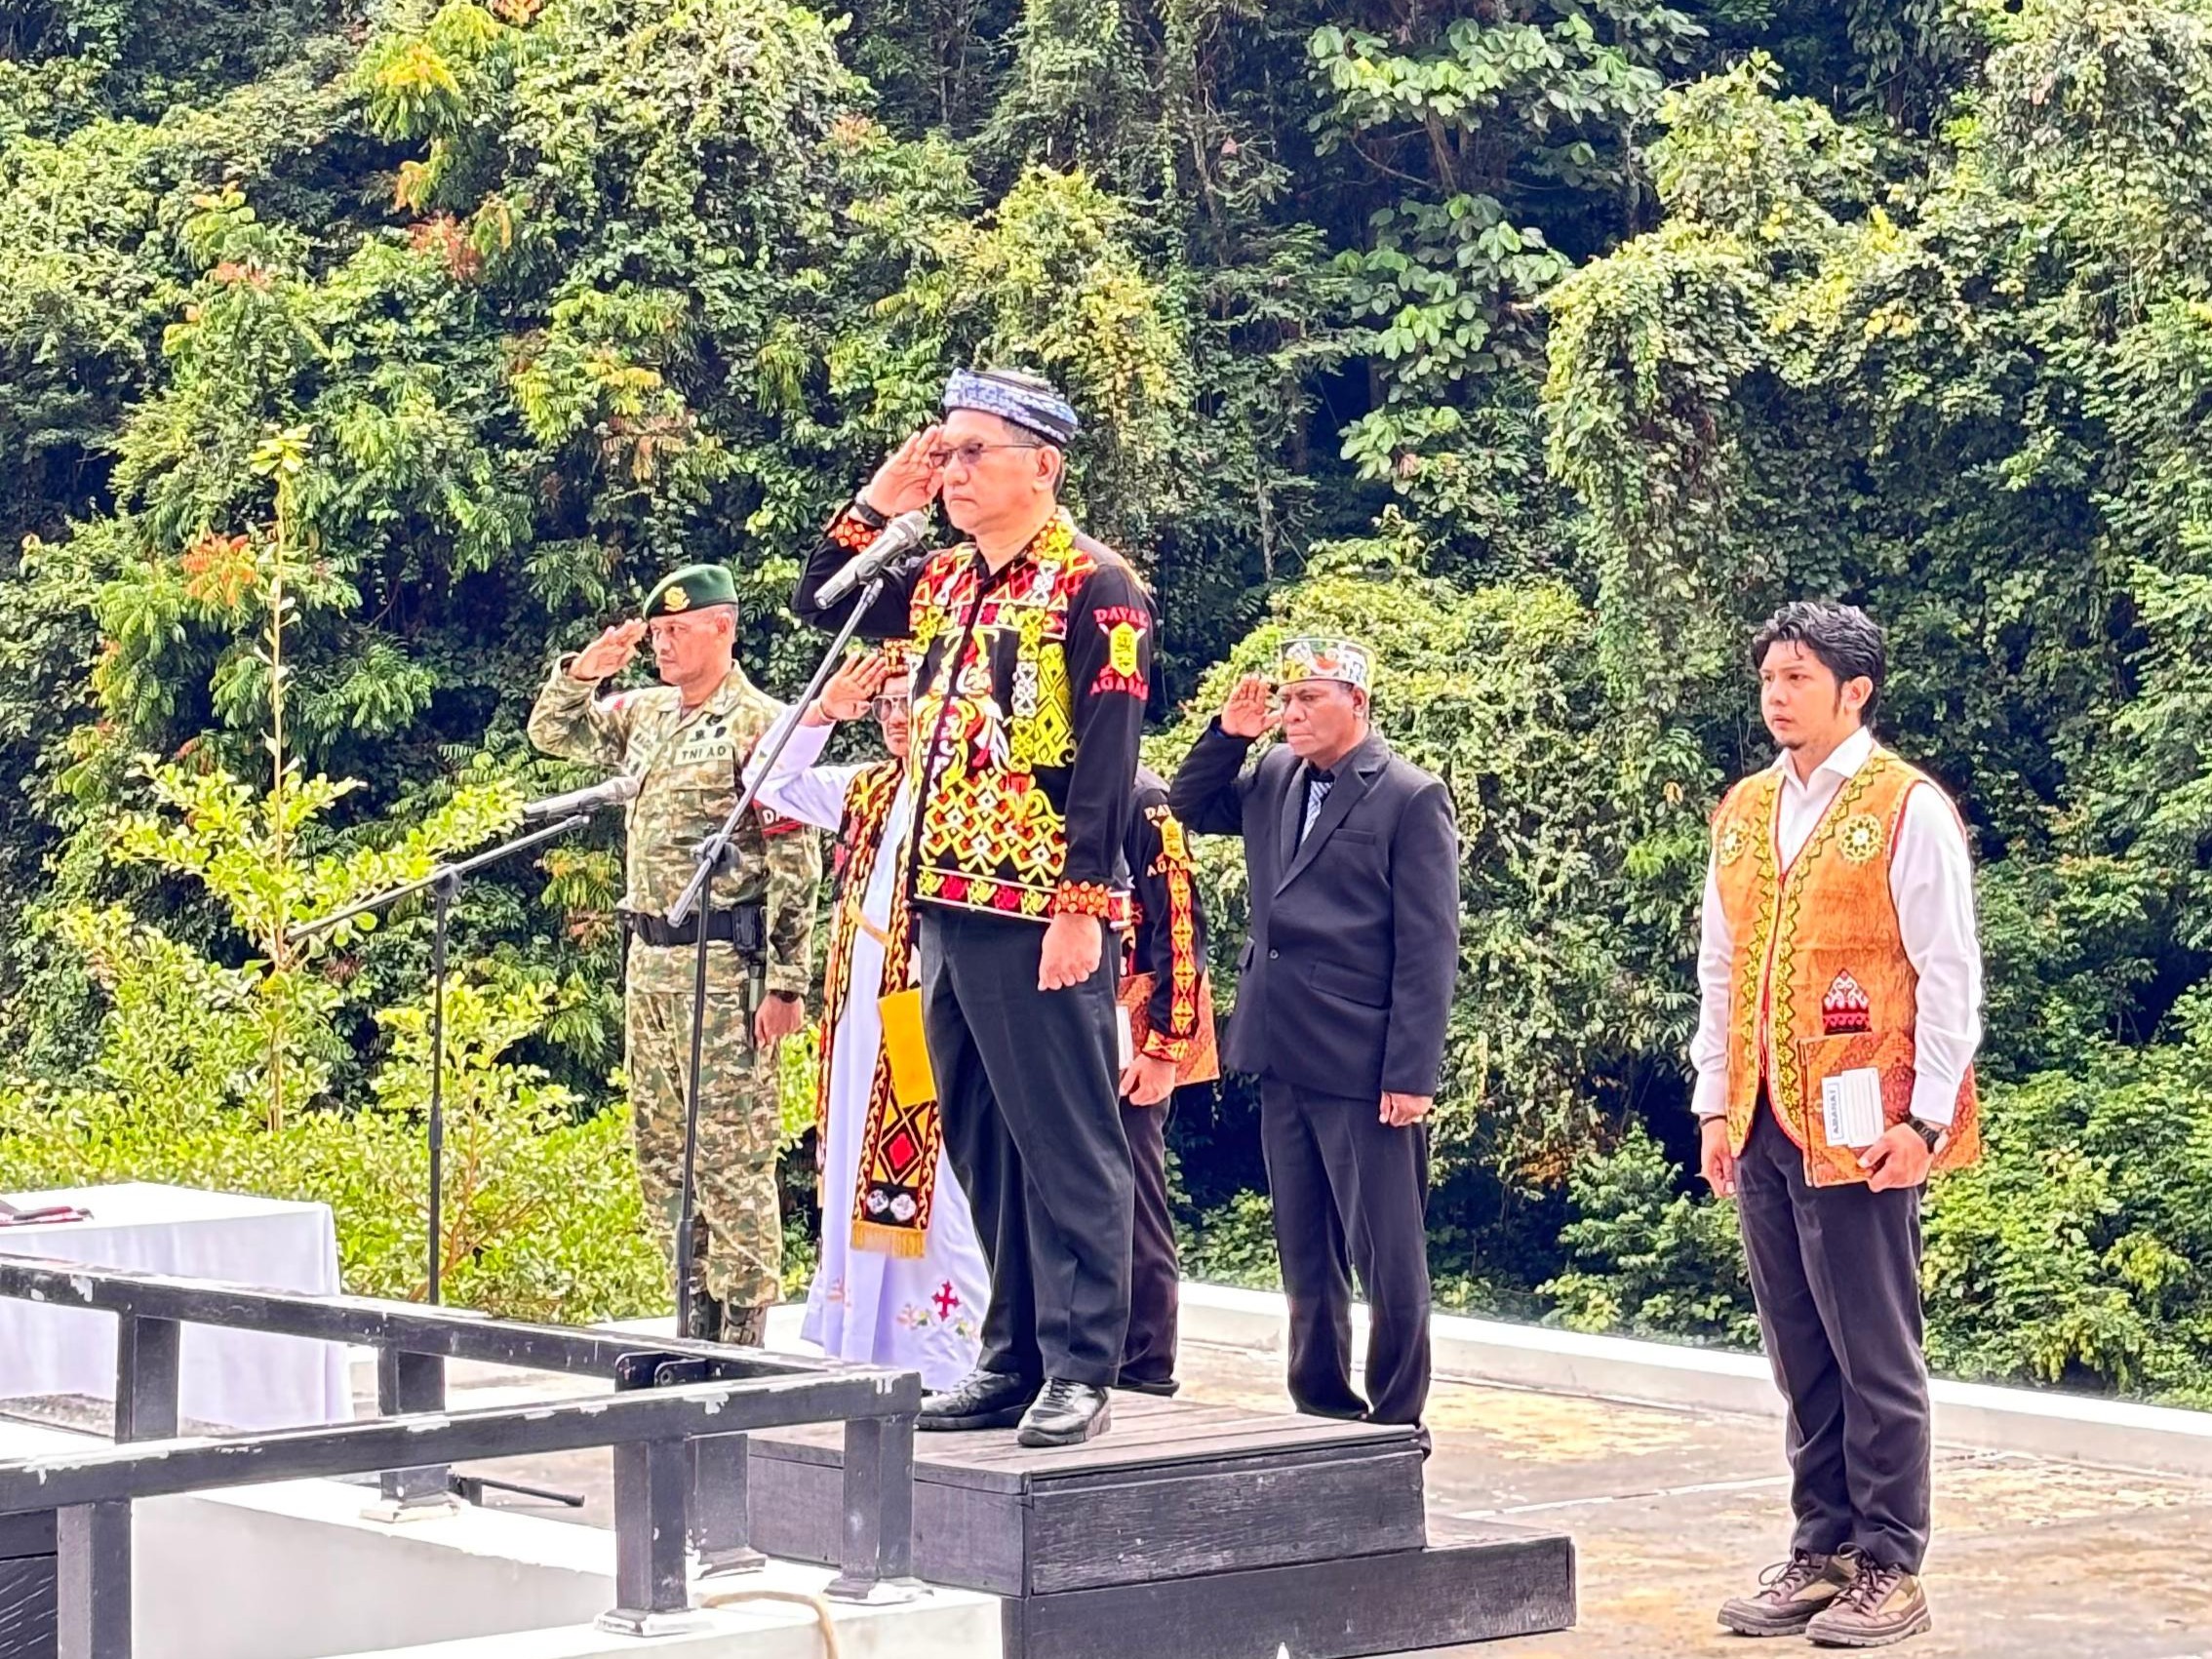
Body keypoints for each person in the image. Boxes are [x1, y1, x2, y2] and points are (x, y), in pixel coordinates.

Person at [795, 368, 1153, 1447]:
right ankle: (1012, 1356)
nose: (950, 471)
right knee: (987, 1144)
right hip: (943, 903)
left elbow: (1108, 760)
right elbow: (820, 596)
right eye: (941, 452)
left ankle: (1085, 1366)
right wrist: (881, 499)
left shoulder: (1097, 587)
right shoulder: (947, 580)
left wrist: (1083, 907)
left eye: (971, 453)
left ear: (1041, 464)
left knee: (1069, 1141)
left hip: (1042, 909)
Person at [1692, 601, 1983, 1648]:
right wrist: (1714, 1102)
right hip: (1768, 1117)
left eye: (1799, 678)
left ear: (1854, 692)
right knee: (1799, 1349)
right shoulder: (1746, 808)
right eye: (1769, 677)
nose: (1777, 696)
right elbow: (1721, 970)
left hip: (1867, 1126)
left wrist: (1925, 1119)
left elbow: (1950, 973)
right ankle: (1820, 1548)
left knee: (1875, 1353)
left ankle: (1891, 1563)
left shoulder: (1906, 808)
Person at [527, 563, 820, 1346]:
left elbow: (794, 860)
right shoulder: (648, 714)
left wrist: (788, 980)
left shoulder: (763, 723)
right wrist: (588, 670)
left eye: (677, 631)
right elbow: (552, 732)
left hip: (725, 969)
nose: (663, 644)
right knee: (663, 1153)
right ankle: (690, 1319)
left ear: (723, 628)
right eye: (656, 633)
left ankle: (742, 1333)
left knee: (731, 1155)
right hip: (650, 964)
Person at [1167, 639, 1458, 1428]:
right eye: (1286, 700)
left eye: (1309, 700)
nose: (1291, 714)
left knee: (1385, 1251)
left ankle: (1399, 1415)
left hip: (1363, 1057)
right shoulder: (1271, 776)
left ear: (1356, 704)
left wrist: (1412, 1072)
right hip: (1279, 1042)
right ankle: (1321, 1403)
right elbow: (1188, 804)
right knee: (1304, 1243)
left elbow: (1429, 946)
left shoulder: (1408, 794)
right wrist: (1229, 732)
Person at [741, 644, 990, 1391]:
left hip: (930, 1003)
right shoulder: (867, 788)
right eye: (881, 705)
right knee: (858, 1163)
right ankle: (865, 1341)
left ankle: (945, 1349)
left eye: (904, 702)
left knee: (937, 1179)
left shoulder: (974, 792)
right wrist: (822, 711)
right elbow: (765, 779)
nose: (892, 718)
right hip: (860, 1009)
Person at [1115, 767, 1217, 1397]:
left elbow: (1181, 928)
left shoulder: (1145, 799)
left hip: (1133, 1025)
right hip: (1068, 1019)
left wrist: (1164, 1047)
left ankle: (1146, 1359)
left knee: (1134, 1193)